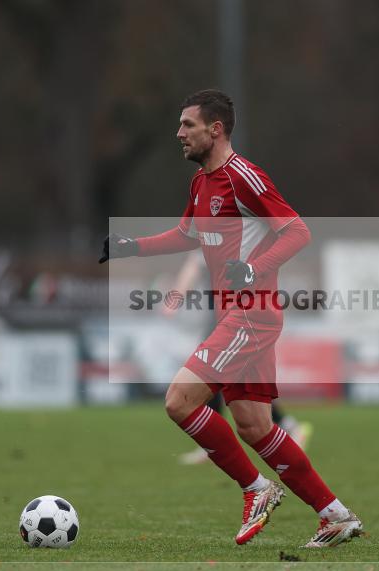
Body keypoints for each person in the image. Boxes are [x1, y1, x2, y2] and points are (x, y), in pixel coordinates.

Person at [99, 89, 361, 547]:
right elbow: (186, 234)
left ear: (214, 129)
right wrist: (132, 246)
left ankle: (257, 489)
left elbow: (297, 230)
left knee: (179, 401)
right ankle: (336, 516)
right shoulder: (201, 183)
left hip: (251, 315)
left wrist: (254, 269)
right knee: (255, 427)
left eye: (188, 125)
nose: (178, 133)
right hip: (237, 316)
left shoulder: (245, 177)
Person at [163, 252, 313, 466]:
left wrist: (174, 300)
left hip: (232, 320)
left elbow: (193, 267)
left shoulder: (219, 234)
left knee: (223, 379)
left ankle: (285, 426)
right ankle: (213, 443)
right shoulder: (224, 234)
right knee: (227, 381)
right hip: (226, 318)